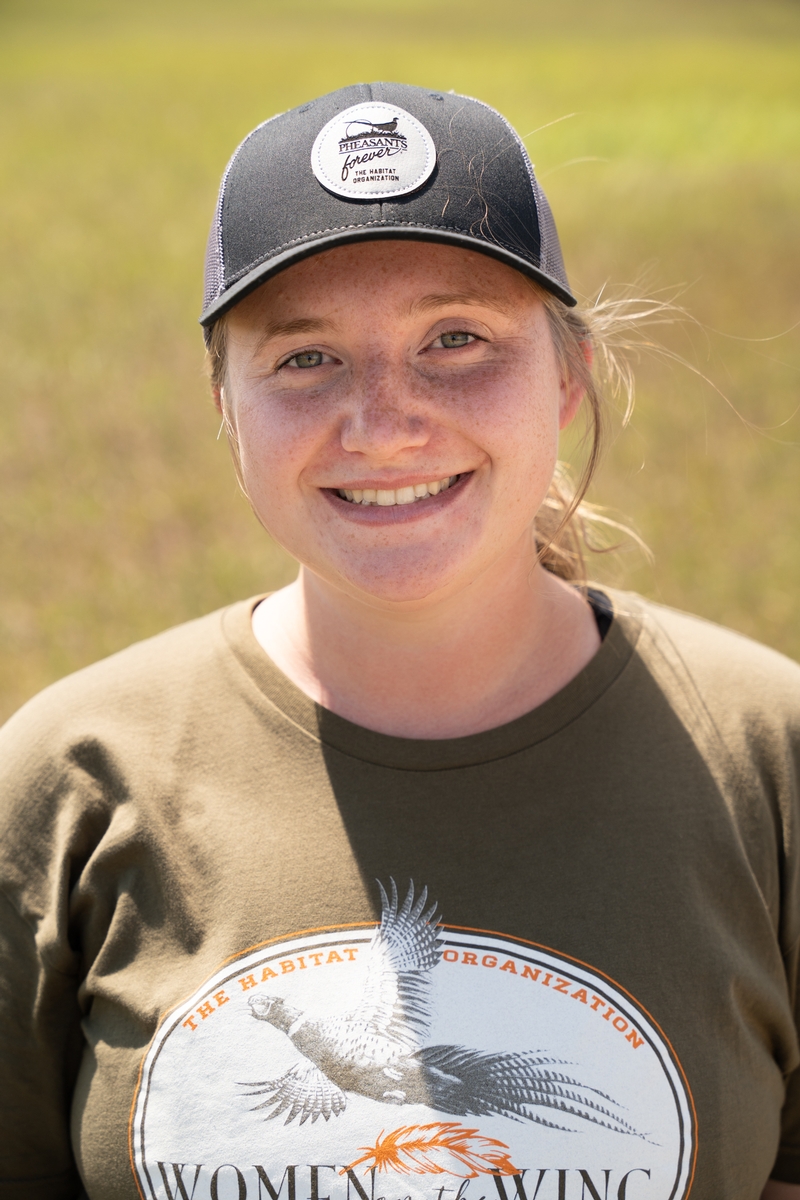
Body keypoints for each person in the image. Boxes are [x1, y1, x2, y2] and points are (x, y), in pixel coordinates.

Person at [0, 82, 798, 1200]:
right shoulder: (69, 779)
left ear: (565, 373)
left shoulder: (767, 760)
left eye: (456, 339)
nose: (383, 420)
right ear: (224, 403)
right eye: (305, 358)